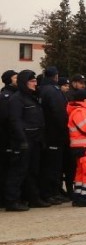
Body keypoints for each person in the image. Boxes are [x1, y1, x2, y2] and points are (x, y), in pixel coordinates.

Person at [5, 70, 50, 211]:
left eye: (35, 80)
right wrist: (22, 140)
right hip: (23, 141)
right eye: (32, 81)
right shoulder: (16, 99)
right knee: (18, 172)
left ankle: (33, 198)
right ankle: (12, 201)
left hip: (35, 140)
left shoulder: (32, 97)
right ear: (24, 82)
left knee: (33, 171)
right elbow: (15, 121)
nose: (35, 83)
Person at [38, 66, 69, 204]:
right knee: (53, 166)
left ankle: (53, 191)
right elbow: (58, 113)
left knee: (50, 165)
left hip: (45, 132)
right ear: (56, 76)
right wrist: (65, 127)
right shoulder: (53, 91)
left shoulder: (41, 89)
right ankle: (50, 193)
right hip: (55, 133)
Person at [0, 70, 18, 207]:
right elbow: (7, 120)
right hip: (7, 139)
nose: (17, 79)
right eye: (15, 77)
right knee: (7, 170)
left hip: (12, 138)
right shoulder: (6, 96)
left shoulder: (15, 94)